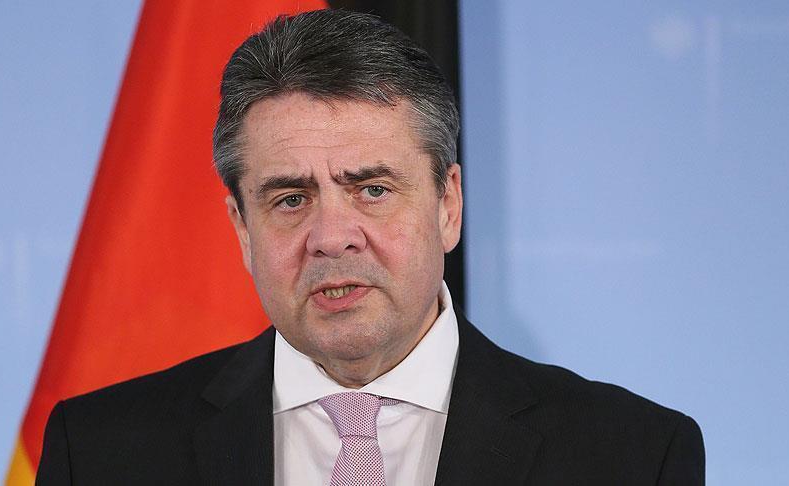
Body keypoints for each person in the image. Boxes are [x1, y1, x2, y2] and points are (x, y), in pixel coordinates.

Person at [36, 9, 704, 485]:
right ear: (241, 227)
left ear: (448, 204)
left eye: (373, 190)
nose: (331, 237)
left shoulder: (633, 457)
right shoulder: (99, 453)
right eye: (290, 199)